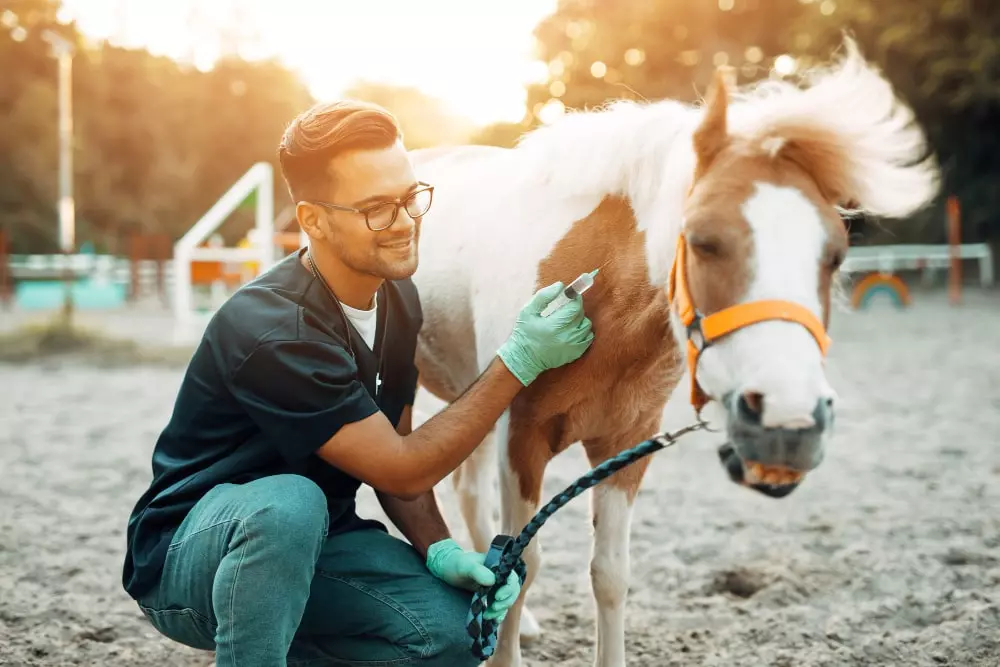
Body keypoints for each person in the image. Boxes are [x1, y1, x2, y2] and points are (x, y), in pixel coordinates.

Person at [121, 99, 595, 667]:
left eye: (409, 198)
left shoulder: (396, 298)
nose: (404, 223)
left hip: (317, 544)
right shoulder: (275, 330)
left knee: (454, 637)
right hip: (191, 555)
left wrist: (440, 549)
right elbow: (403, 466)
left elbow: (396, 447)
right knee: (291, 502)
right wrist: (517, 361)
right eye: (376, 209)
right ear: (313, 220)